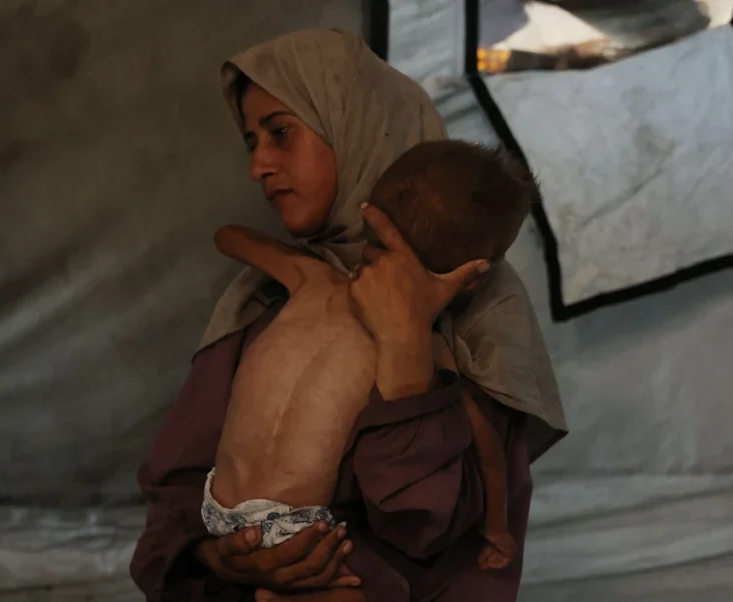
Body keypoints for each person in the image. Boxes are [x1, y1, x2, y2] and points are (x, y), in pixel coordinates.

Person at [130, 30, 567, 602]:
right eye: (251, 142)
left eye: (280, 132)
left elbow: (434, 531)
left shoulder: (479, 321)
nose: (258, 166)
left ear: (360, 124)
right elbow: (176, 495)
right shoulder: (266, 298)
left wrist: (406, 351)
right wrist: (220, 559)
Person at [202, 139, 539, 574]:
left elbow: (227, 237)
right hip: (298, 530)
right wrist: (497, 528)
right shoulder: (422, 349)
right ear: (474, 277)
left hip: (214, 506)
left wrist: (301, 252)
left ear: (369, 220)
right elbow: (487, 448)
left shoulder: (312, 279)